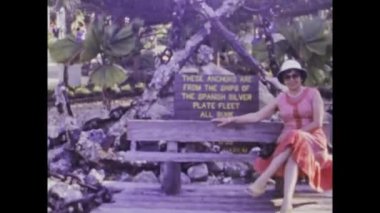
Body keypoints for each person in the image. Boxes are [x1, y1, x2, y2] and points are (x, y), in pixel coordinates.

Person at [211, 59, 332, 213]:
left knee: (295, 137)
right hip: (290, 147)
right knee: (294, 151)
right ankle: (286, 204)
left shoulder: (313, 94)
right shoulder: (281, 98)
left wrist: (297, 134)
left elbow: (317, 123)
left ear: (301, 77)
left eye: (295, 75)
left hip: (314, 143)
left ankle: (262, 181)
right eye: (287, 77)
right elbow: (257, 116)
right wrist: (232, 119)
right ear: (283, 80)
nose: (292, 79)